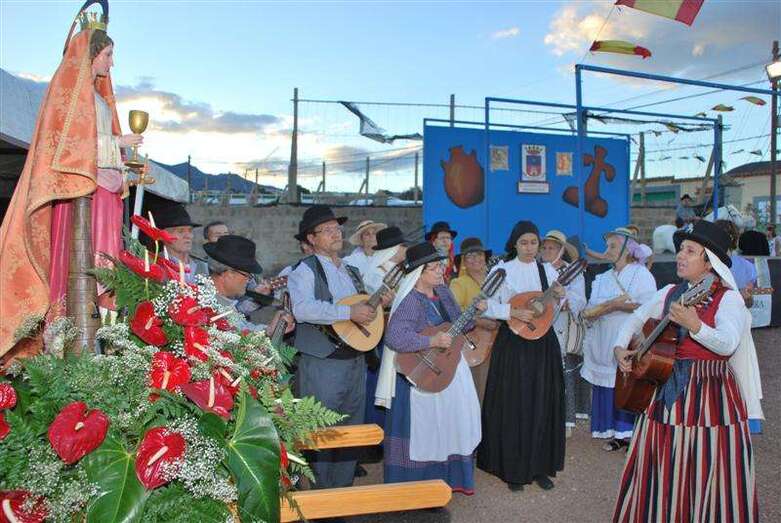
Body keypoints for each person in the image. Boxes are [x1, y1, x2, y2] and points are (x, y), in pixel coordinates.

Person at [0, 6, 139, 360]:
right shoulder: (73, 97)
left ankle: (102, 335)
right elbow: (69, 147)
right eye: (108, 55)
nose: (112, 63)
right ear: (91, 55)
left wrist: (120, 160)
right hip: (81, 190)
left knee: (105, 260)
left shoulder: (97, 98)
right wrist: (117, 144)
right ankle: (68, 338)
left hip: (103, 189)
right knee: (85, 258)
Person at [612, 220, 762, 522]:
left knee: (707, 460)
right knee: (660, 457)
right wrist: (619, 347)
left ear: (709, 262)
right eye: (681, 249)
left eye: (690, 251)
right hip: (663, 389)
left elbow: (728, 343)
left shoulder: (728, 298)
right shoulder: (669, 291)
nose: (680, 255)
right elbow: (636, 318)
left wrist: (696, 326)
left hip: (709, 394)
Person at [287, 205, 384, 489]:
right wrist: (348, 313)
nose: (335, 234)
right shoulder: (304, 269)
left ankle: (341, 494)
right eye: (327, 230)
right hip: (322, 360)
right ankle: (321, 496)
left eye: (337, 228)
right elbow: (302, 309)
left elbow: (363, 309)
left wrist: (378, 302)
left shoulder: (352, 271)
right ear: (311, 238)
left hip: (354, 358)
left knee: (350, 429)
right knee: (321, 429)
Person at [477, 221, 578, 492]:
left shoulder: (547, 271)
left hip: (543, 344)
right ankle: (511, 469)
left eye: (534, 242)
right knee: (514, 402)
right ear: (514, 244)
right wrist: (511, 312)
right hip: (513, 343)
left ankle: (539, 466)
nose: (530, 248)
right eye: (524, 242)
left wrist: (559, 297)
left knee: (542, 401)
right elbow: (483, 304)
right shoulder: (502, 270)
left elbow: (551, 310)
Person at [376, 242, 482, 495]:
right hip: (422, 376)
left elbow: (459, 325)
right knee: (427, 431)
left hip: (448, 368)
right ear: (418, 273)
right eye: (433, 268)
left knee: (449, 425)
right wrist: (431, 341)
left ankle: (448, 480)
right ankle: (418, 488)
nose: (440, 271)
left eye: (440, 266)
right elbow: (395, 337)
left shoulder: (443, 292)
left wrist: (474, 312)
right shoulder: (411, 301)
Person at [580, 227, 656, 451]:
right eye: (607, 246)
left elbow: (651, 306)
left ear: (627, 249)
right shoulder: (603, 277)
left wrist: (617, 306)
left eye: (613, 246)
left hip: (628, 338)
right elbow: (592, 306)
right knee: (607, 383)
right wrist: (596, 311)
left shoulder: (641, 274)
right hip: (604, 337)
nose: (607, 250)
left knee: (626, 383)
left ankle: (628, 434)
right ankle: (611, 431)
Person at [540, 230, 588, 436]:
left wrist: (564, 296)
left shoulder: (572, 271)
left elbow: (580, 300)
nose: (547, 251)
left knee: (562, 372)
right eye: (544, 247)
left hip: (561, 327)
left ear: (561, 250)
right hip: (538, 326)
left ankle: (564, 422)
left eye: (552, 247)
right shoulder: (536, 269)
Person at [204, 235, 293, 336]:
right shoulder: (204, 304)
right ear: (229, 274)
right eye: (246, 275)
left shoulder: (222, 300)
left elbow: (241, 330)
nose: (249, 280)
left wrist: (269, 330)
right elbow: (235, 338)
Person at [449, 237, 500, 406]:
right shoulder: (459, 283)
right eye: (469, 256)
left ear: (485, 257)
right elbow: (453, 313)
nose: (475, 259)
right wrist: (478, 321)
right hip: (476, 345)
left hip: (500, 342)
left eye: (478, 254)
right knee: (480, 389)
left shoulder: (496, 281)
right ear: (463, 262)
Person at [155, 204, 208, 283]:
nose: (188, 236)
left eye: (190, 230)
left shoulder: (202, 266)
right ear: (163, 235)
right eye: (180, 231)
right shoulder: (155, 264)